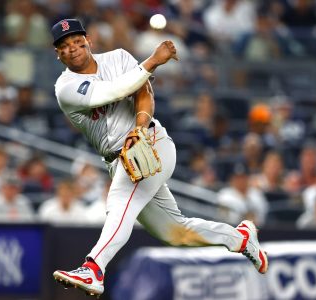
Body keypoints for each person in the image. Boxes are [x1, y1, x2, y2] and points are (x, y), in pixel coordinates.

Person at [50, 19, 268, 297]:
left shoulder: (117, 57)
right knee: (175, 232)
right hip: (119, 160)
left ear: (88, 40)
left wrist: (139, 127)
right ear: (57, 53)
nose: (73, 48)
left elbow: (144, 93)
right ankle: (240, 238)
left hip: (151, 143)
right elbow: (112, 91)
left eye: (77, 41)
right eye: (65, 46)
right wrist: (152, 61)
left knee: (119, 202)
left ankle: (94, 267)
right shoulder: (66, 87)